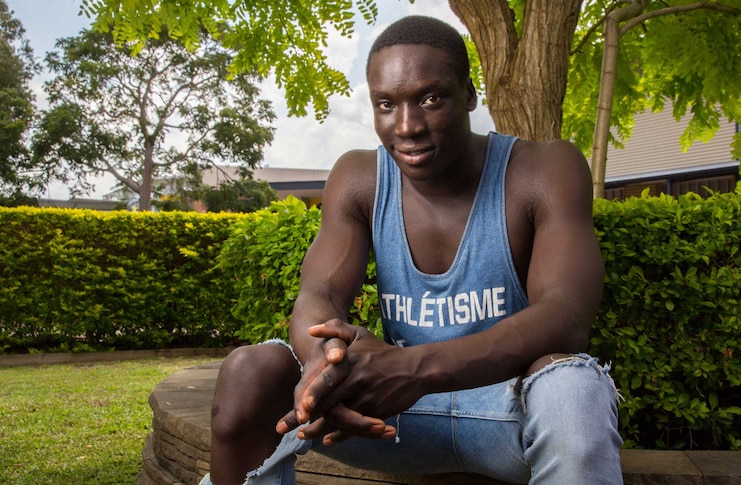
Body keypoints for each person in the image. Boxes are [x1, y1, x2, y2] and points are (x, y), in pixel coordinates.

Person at [202, 15, 623, 485]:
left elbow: (566, 316)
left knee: (573, 388)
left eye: (429, 98)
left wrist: (412, 368)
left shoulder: (543, 169)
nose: (406, 126)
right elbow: (317, 294)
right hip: (388, 419)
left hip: (514, 417)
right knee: (250, 373)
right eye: (386, 104)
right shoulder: (361, 178)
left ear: (468, 93)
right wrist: (326, 366)